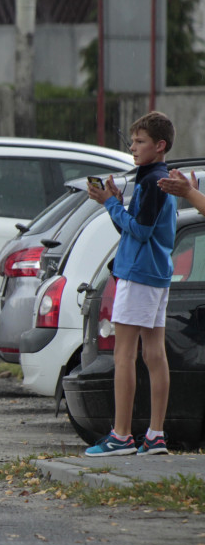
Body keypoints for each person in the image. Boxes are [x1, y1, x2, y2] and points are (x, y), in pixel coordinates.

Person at [84, 111, 176, 457]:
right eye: (133, 142)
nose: (133, 148)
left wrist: (109, 203)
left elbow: (139, 230)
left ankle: (121, 435)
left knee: (124, 354)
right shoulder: (160, 178)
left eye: (140, 142)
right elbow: (144, 227)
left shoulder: (152, 180)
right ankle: (155, 434)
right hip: (156, 273)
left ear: (160, 145)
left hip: (137, 274)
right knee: (154, 353)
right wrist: (116, 203)